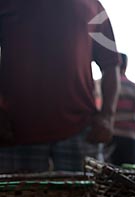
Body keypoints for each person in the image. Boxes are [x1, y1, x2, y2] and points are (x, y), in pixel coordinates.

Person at [0, 0, 120, 172]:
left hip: (81, 131)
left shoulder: (94, 5)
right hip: (14, 130)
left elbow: (110, 64)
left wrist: (108, 116)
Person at [100, 53, 135, 166]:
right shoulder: (134, 88)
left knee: (107, 174)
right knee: (129, 175)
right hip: (129, 138)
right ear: (125, 66)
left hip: (108, 136)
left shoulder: (101, 84)